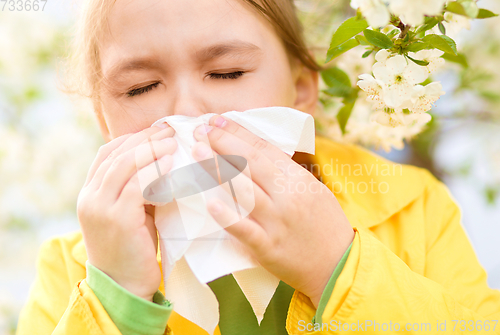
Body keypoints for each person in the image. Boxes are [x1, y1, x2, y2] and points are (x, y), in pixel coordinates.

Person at [16, 0, 500, 334]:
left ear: (302, 90)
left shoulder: (411, 209)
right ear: (105, 123)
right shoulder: (76, 268)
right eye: (141, 87)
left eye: (227, 73)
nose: (186, 109)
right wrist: (116, 298)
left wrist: (337, 266)